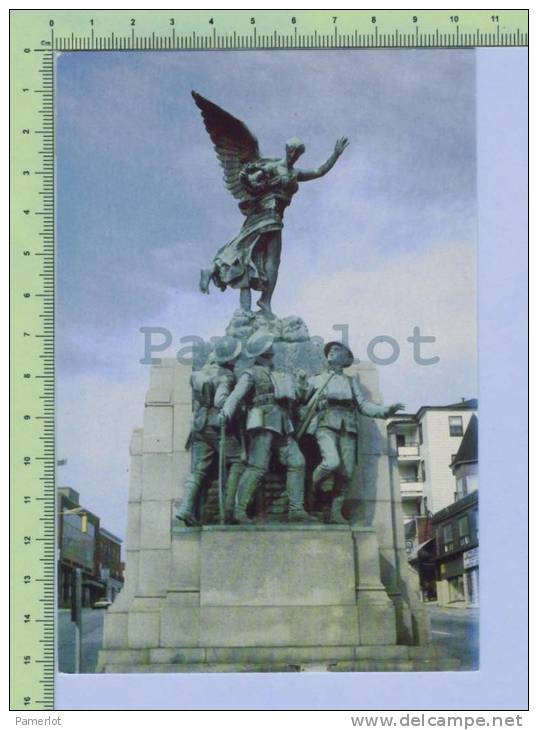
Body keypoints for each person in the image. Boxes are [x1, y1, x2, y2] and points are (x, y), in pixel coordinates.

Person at [192, 92, 349, 316]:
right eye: (293, 151)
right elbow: (247, 177)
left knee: (259, 256)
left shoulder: (295, 173)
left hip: (275, 217)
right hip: (264, 214)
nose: (295, 155)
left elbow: (320, 171)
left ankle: (260, 299)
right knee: (253, 253)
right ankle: (250, 292)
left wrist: (335, 154)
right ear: (288, 150)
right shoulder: (270, 167)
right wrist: (256, 181)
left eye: (299, 153)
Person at [219, 331, 317, 524]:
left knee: (297, 462)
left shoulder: (280, 373)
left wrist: (303, 383)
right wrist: (226, 412)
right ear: (264, 350)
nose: (273, 349)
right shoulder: (251, 373)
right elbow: (236, 395)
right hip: (261, 421)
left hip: (282, 422)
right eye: (270, 346)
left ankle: (296, 509)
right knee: (257, 467)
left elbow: (297, 397)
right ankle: (239, 511)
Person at [303, 341, 404, 523]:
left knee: (346, 473)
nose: (332, 352)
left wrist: (387, 410)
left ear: (346, 358)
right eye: (330, 350)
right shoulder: (316, 379)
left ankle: (335, 513)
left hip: (348, 427)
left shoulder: (350, 382)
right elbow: (301, 401)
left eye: (337, 350)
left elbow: (364, 406)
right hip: (325, 424)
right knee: (332, 461)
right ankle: (310, 488)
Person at [176, 336, 243, 526]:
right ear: (230, 359)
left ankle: (186, 508)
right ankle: (229, 509)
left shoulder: (197, 374)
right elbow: (220, 401)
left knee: (198, 470)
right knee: (238, 460)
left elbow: (198, 402)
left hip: (199, 425)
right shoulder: (226, 376)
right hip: (215, 424)